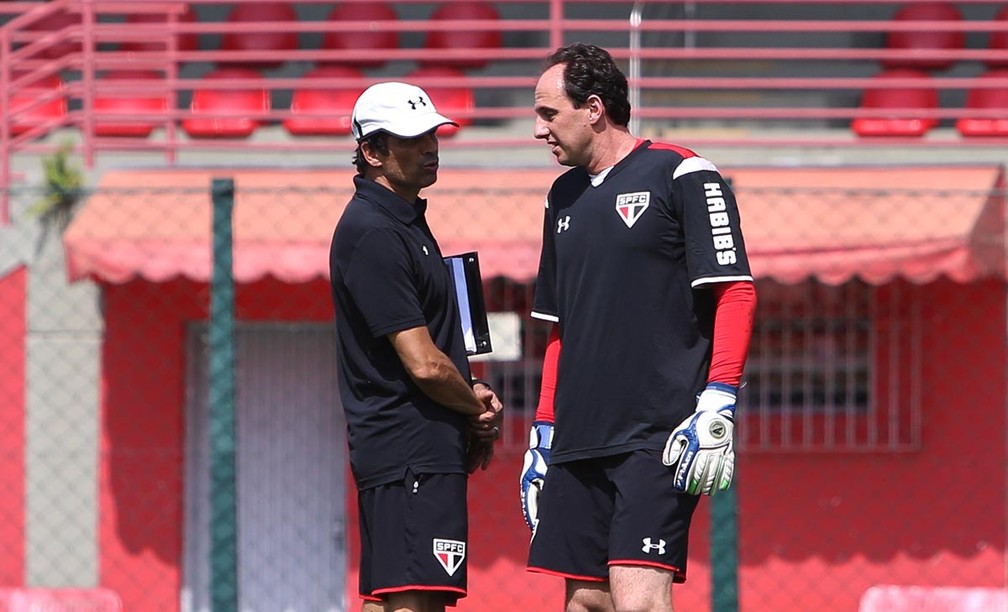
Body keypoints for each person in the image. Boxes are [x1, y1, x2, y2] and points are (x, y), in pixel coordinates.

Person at [519, 43, 758, 612]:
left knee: (639, 600)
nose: (537, 130)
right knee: (586, 604)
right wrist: (545, 431)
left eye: (549, 114)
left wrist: (718, 398)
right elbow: (559, 329)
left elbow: (736, 291)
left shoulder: (683, 172)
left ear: (594, 108)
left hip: (657, 434)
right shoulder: (562, 196)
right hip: (578, 436)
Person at [329, 81, 503, 612]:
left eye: (432, 134)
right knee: (414, 601)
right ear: (372, 151)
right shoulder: (375, 231)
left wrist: (469, 399)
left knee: (396, 597)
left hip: (417, 449)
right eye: (412, 138)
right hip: (409, 450)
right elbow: (424, 365)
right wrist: (477, 407)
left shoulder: (402, 222)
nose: (430, 147)